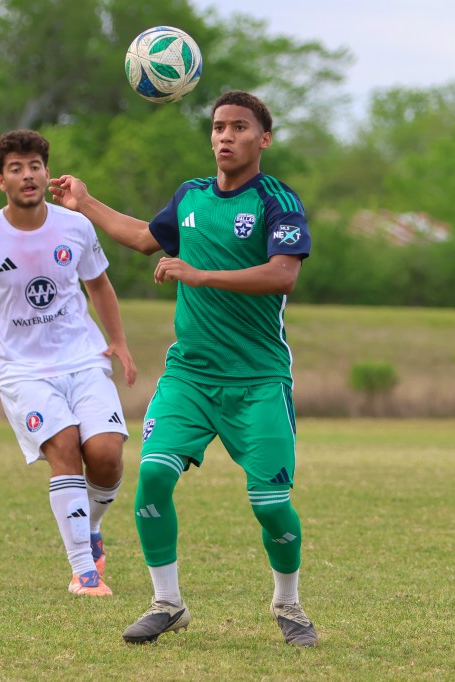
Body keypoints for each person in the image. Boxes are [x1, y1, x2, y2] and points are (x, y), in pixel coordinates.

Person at [49, 90, 317, 646]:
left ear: (263, 139)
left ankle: (288, 606)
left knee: (271, 506)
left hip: (259, 380)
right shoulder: (191, 197)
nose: (225, 136)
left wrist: (200, 275)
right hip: (189, 377)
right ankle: (167, 602)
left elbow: (282, 274)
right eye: (218, 126)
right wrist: (86, 202)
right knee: (152, 476)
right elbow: (145, 237)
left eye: (239, 127)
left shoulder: (276, 200)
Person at [0, 129, 137, 598]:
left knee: (107, 456)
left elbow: (99, 285)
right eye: (16, 168)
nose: (27, 175)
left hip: (84, 360)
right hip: (22, 371)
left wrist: (118, 340)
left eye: (34, 166)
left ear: (47, 172)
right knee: (66, 450)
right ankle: (84, 572)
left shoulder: (76, 226)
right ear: (0, 180)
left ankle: (88, 528)